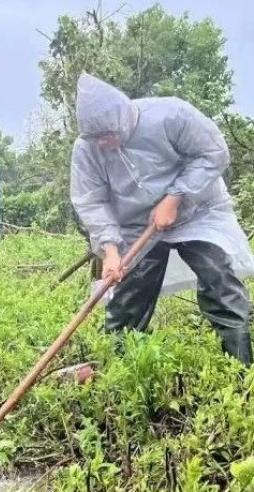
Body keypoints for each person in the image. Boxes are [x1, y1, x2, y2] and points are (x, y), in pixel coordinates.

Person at [70, 73, 254, 367]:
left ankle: (241, 371)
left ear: (122, 117)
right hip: (138, 226)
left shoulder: (171, 115)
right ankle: (118, 370)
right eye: (96, 138)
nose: (103, 142)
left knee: (218, 280)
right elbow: (91, 200)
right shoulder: (86, 149)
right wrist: (111, 251)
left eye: (107, 134)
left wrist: (175, 196)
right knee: (128, 299)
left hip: (196, 211)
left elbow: (214, 153)